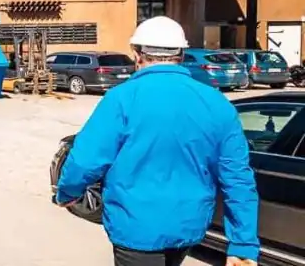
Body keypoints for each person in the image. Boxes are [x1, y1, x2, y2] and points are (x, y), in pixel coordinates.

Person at [54, 16, 259, 266]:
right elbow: (237, 178)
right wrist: (243, 244)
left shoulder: (122, 98)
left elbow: (86, 159)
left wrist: (67, 193)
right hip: (188, 227)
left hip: (135, 229)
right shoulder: (216, 103)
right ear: (181, 55)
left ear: (138, 55)